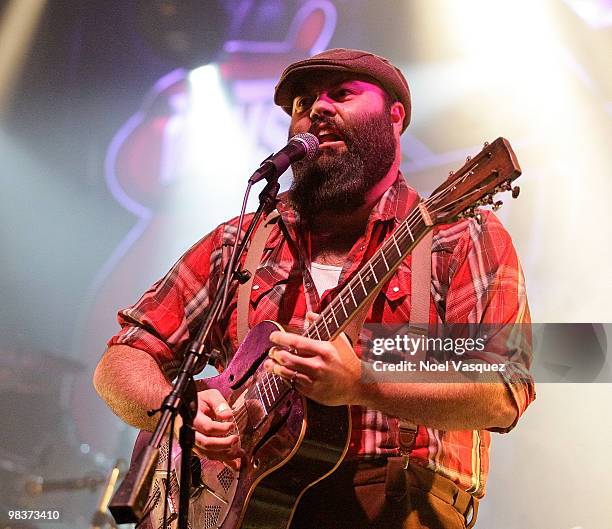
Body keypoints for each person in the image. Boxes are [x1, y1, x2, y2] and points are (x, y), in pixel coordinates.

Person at [93, 48, 535, 529]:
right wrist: (185, 412)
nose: (317, 109)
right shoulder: (240, 242)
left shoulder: (457, 238)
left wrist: (364, 384)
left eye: (341, 94)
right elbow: (123, 359)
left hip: (394, 507)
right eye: (303, 103)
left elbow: (504, 389)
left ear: (395, 115)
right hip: (242, 511)